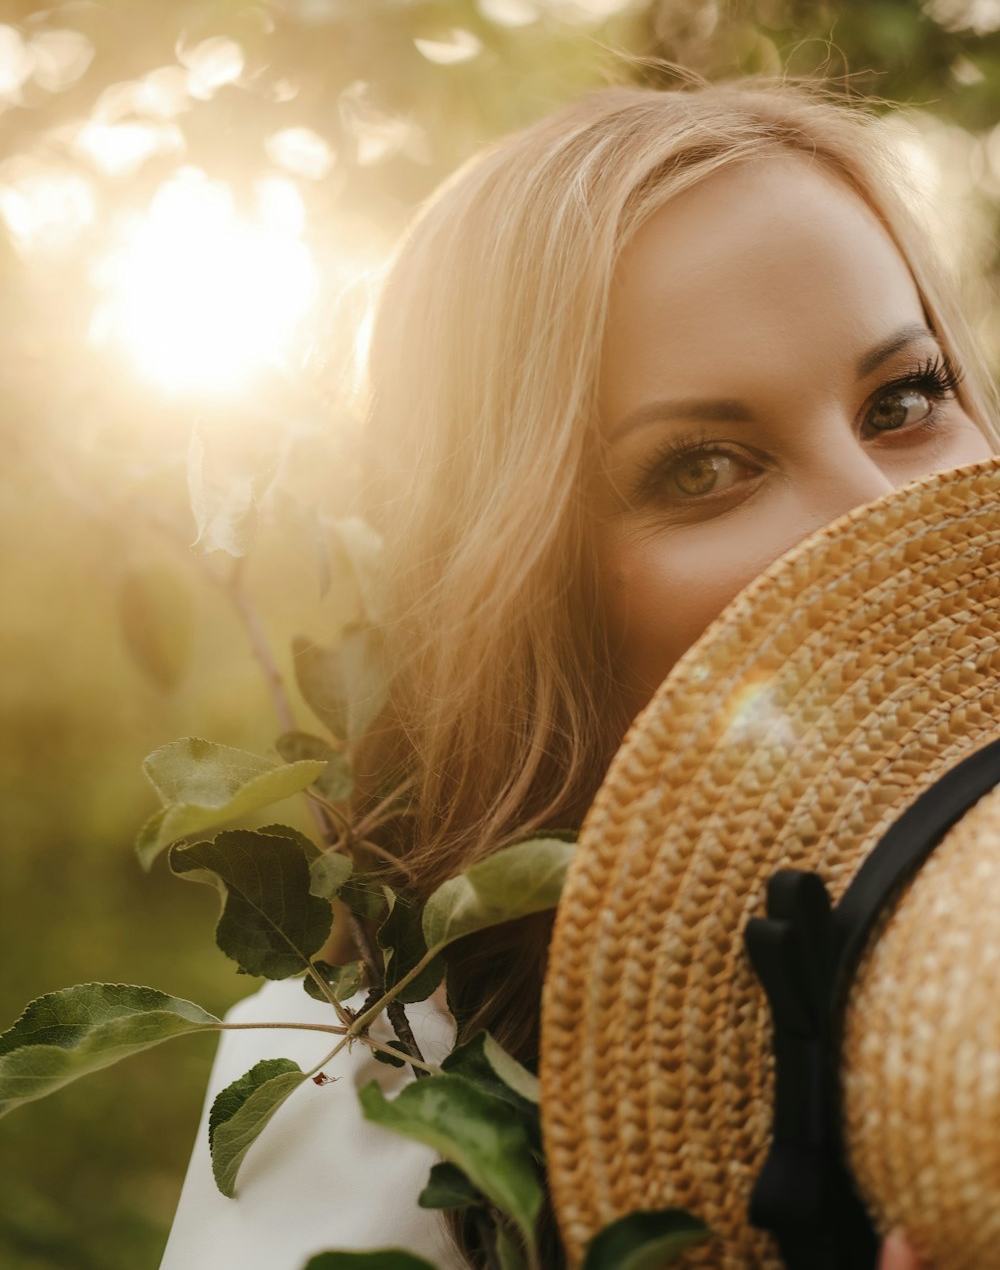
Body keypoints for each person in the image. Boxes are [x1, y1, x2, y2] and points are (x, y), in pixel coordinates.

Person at [162, 79, 1000, 1270]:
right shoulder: (373, 1091)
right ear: (524, 587)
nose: (880, 518)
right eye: (702, 468)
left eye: (904, 398)